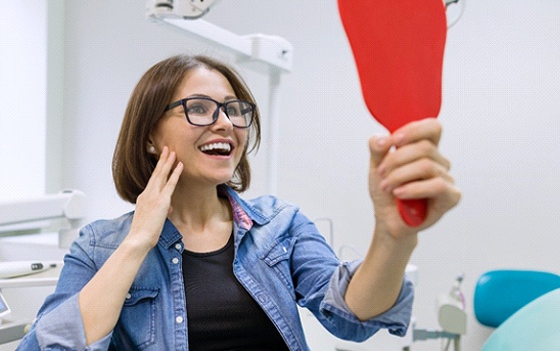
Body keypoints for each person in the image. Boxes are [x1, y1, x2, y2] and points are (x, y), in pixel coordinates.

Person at [17, 54, 460, 350]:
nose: (226, 123)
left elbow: (352, 316)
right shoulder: (100, 246)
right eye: (200, 108)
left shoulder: (279, 225)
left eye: (234, 109)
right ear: (151, 135)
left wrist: (393, 237)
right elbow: (51, 345)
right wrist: (138, 241)